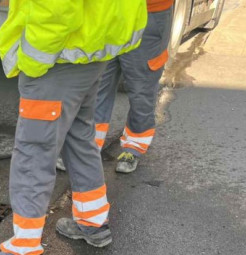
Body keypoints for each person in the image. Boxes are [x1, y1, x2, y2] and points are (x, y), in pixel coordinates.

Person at [0, 0, 147, 255]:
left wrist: (30, 62)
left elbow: (54, 9)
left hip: (58, 58)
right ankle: (93, 222)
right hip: (92, 49)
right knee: (80, 137)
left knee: (34, 152)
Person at [58, 0, 173, 174]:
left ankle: (133, 148)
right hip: (105, 12)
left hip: (147, 13)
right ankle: (85, 150)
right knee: (96, 87)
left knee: (141, 89)